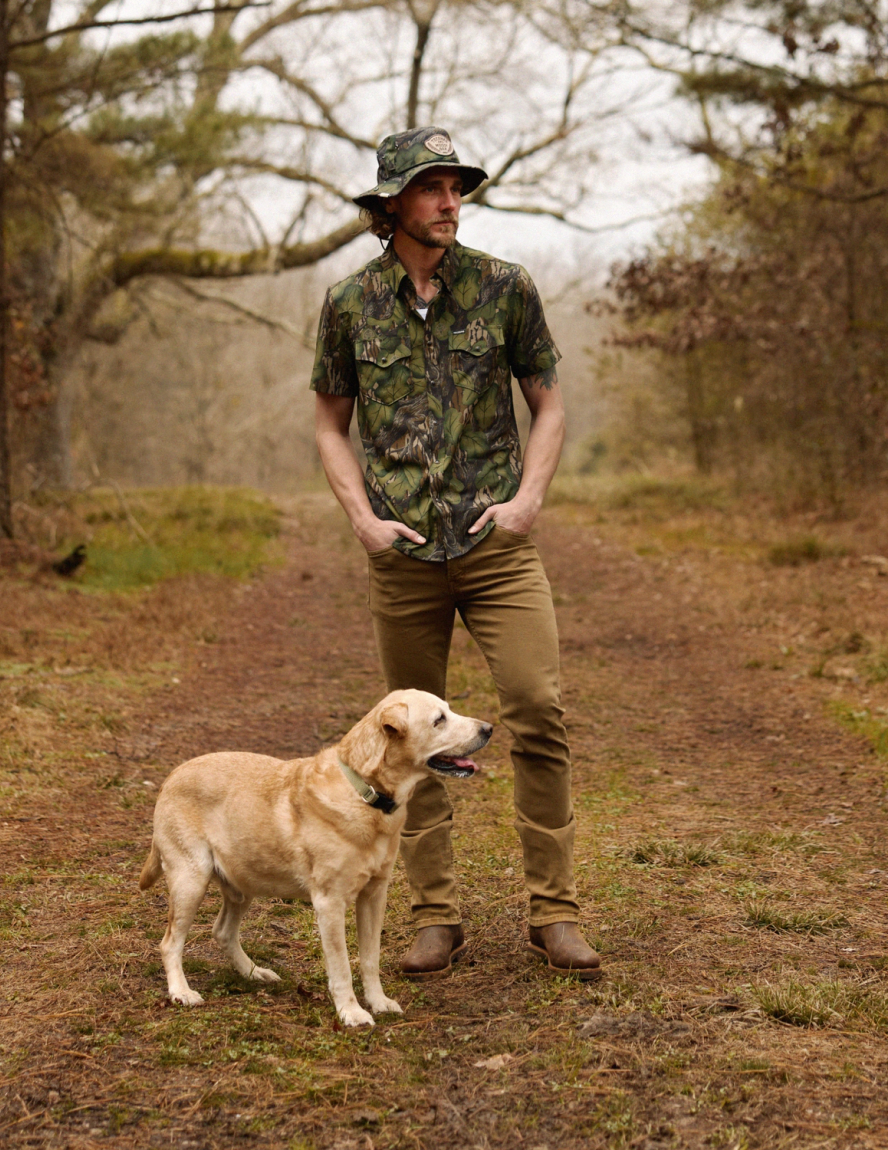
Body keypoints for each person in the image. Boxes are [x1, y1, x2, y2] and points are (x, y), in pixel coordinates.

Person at [310, 126, 601, 980]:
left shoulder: (507, 289)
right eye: (433, 188)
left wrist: (529, 501)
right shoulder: (348, 304)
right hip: (401, 557)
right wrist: (362, 518)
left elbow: (547, 403)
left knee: (536, 707)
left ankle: (555, 913)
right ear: (392, 203)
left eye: (457, 186)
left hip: (496, 549)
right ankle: (434, 916)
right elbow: (329, 423)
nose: (450, 201)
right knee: (409, 742)